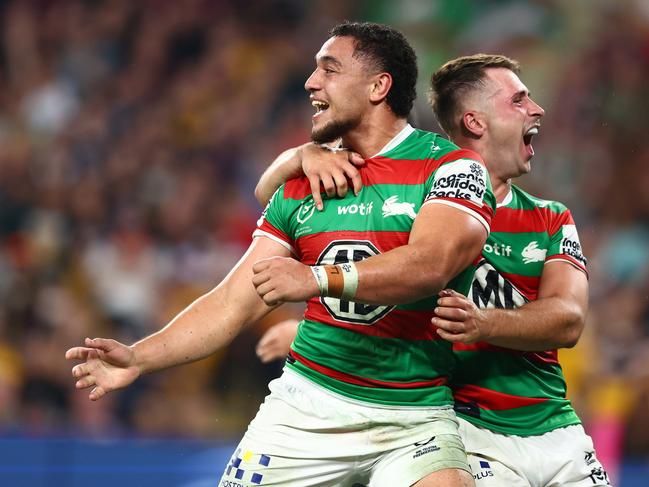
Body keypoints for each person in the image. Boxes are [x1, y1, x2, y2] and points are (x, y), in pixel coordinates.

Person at [66, 22, 496, 487]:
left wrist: (317, 278)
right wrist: (138, 356)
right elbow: (233, 301)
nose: (311, 83)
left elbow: (432, 263)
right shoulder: (301, 183)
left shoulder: (451, 168)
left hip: (413, 415)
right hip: (306, 407)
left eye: (329, 70)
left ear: (379, 86)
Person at [254, 54, 610, 486]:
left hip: (556, 429)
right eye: (519, 100)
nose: (537, 109)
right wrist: (301, 155)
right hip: (462, 432)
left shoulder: (550, 217)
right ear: (476, 122)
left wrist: (483, 322)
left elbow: (568, 321)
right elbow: (279, 203)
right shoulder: (417, 196)